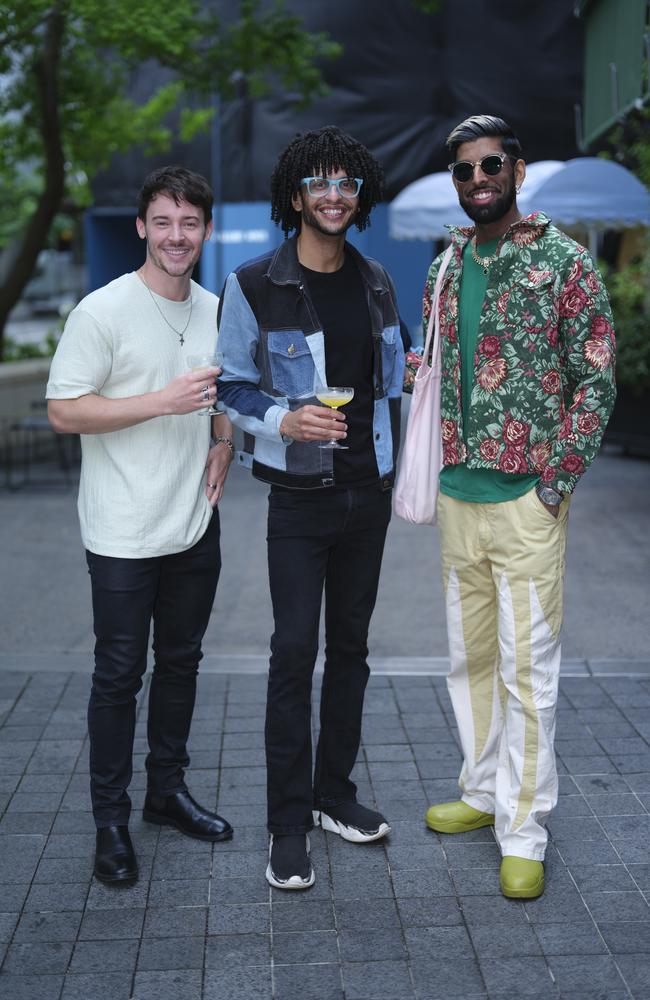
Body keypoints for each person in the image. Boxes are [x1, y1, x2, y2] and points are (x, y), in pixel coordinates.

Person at [416, 115, 616, 898]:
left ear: (518, 170)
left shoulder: (563, 262)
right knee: (470, 663)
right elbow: (445, 371)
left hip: (527, 504)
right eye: (464, 171)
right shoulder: (444, 265)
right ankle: (481, 790)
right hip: (459, 499)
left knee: (528, 672)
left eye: (490, 165)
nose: (478, 181)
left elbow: (596, 378)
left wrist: (554, 485)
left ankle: (524, 827)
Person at [217, 126, 404, 890]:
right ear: (295, 196)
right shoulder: (255, 282)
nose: (335, 195)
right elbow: (230, 383)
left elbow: (393, 380)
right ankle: (286, 822)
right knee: (295, 654)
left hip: (369, 492)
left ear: (359, 198)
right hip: (297, 499)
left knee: (352, 652)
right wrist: (283, 420)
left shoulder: (377, 280)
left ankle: (335, 796)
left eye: (347, 184)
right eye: (320, 183)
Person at [47, 166, 234, 885]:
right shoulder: (101, 312)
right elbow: (66, 410)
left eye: (189, 223)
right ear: (141, 228)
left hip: (194, 523)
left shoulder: (217, 309)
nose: (176, 236)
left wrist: (222, 441)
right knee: (119, 676)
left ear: (205, 230)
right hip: (122, 531)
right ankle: (110, 824)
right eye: (163, 222)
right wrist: (158, 402)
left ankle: (166, 795)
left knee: (182, 664)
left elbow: (222, 394)